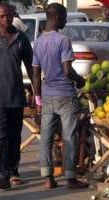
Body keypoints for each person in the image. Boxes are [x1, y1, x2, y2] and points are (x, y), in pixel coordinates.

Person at [32, 3, 88, 189]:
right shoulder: (63, 40)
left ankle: (48, 177)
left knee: (46, 136)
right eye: (63, 17)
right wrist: (79, 80)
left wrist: (38, 98)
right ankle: (70, 177)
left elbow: (35, 73)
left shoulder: (38, 41)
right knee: (69, 136)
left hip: (47, 96)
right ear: (56, 17)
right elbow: (67, 70)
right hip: (65, 94)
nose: (65, 21)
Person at [0, 2, 33, 189]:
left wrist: (37, 94)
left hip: (16, 95)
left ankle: (13, 169)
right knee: (2, 135)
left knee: (14, 136)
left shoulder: (21, 38)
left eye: (9, 15)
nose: (6, 19)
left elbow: (31, 67)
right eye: (2, 16)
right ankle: (3, 172)